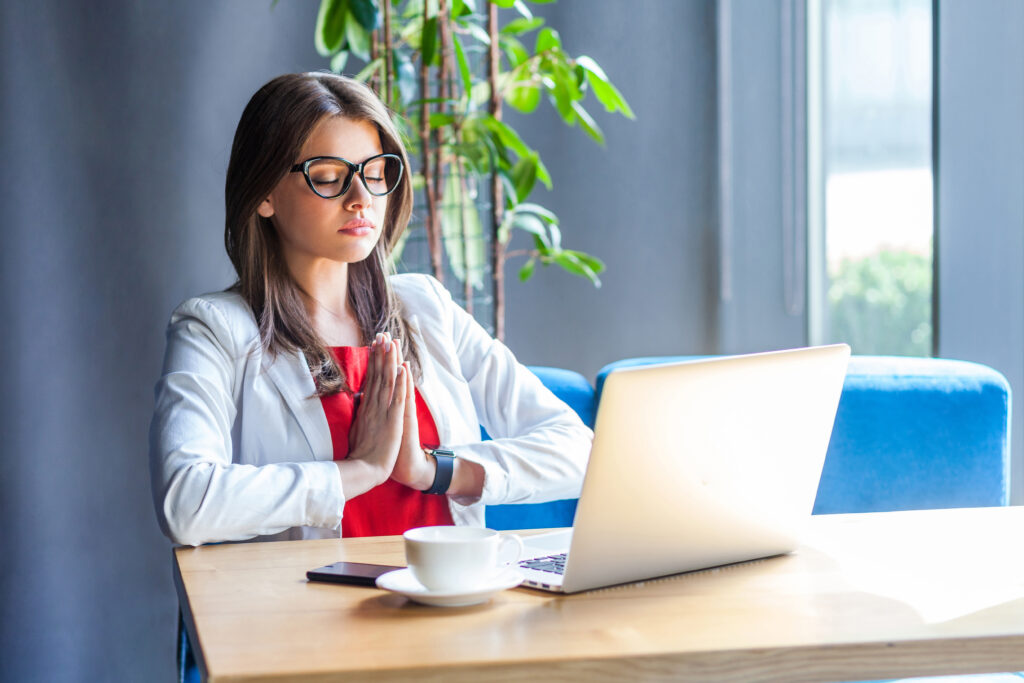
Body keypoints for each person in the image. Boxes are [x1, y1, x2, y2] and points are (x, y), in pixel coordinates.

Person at [148, 72, 592, 547]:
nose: (362, 200)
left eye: (376, 173)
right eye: (329, 178)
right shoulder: (214, 329)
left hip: (448, 604)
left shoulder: (426, 308)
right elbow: (185, 503)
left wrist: (432, 471)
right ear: (264, 194)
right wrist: (358, 471)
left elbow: (579, 451)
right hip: (304, 616)